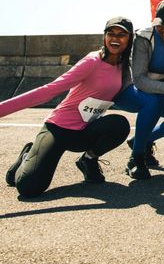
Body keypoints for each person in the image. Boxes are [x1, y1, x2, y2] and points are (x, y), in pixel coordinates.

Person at [3, 17, 133, 198]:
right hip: (58, 129)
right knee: (28, 188)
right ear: (104, 37)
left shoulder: (125, 66)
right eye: (110, 33)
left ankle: (88, 160)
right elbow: (50, 90)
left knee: (120, 125)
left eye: (122, 34)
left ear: (129, 39)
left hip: (85, 131)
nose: (115, 38)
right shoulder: (92, 62)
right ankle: (27, 155)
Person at [113, 0, 164, 179]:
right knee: (153, 101)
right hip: (128, 91)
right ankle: (136, 158)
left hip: (162, 90)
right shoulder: (143, 38)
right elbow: (140, 80)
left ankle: (141, 141)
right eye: (160, 25)